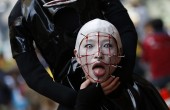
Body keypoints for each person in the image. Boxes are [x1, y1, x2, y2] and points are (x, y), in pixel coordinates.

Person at [8, 0, 137, 109]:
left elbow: (126, 30)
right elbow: (32, 73)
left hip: (117, 86)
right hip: (73, 96)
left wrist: (119, 76)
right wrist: (76, 98)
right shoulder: (20, 14)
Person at [74, 18, 169, 110]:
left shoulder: (140, 90)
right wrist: (83, 103)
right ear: (77, 55)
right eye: (89, 46)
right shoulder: (70, 94)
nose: (98, 54)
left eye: (107, 45)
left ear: (119, 54)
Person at [142, 18, 170, 89]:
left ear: (152, 27)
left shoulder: (147, 41)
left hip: (158, 76)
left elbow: (145, 59)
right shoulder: (168, 38)